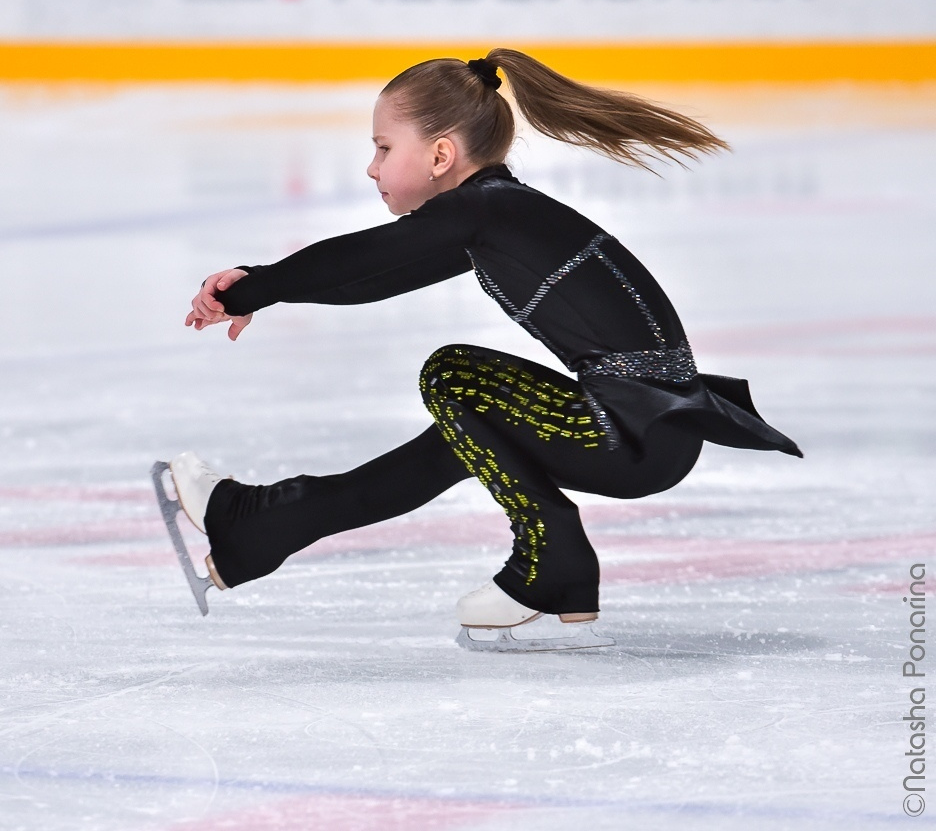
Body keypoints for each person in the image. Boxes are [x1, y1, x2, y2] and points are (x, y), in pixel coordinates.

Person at [171, 49, 801, 635]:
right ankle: (261, 524)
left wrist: (256, 288)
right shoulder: (494, 215)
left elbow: (362, 256)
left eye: (384, 147)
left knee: (455, 377)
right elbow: (377, 276)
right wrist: (265, 287)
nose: (372, 167)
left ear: (441, 156)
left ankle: (550, 553)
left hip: (626, 434)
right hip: (649, 432)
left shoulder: (488, 211)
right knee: (456, 435)